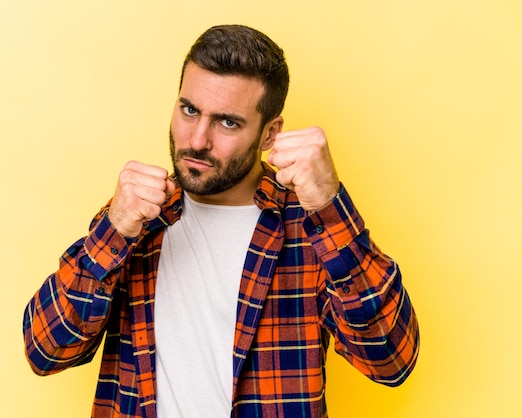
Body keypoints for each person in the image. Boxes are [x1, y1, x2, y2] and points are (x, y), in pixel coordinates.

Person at [23, 24, 419, 418]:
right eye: (189, 110)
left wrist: (330, 207)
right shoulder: (135, 218)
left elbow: (391, 360)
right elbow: (45, 350)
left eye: (227, 122)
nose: (197, 139)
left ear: (269, 134)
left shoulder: (309, 229)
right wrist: (113, 231)